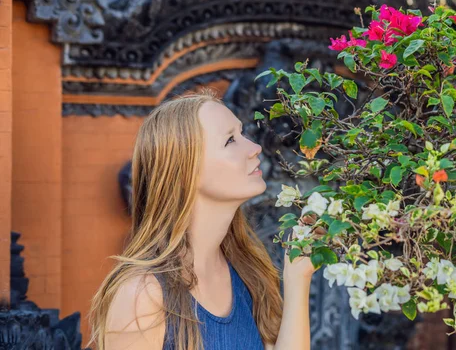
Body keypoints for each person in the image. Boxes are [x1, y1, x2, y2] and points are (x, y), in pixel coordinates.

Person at [89, 91, 316, 350]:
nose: (255, 148)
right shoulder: (143, 296)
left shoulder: (248, 272)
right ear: (186, 170)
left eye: (242, 134)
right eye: (230, 140)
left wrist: (299, 276)